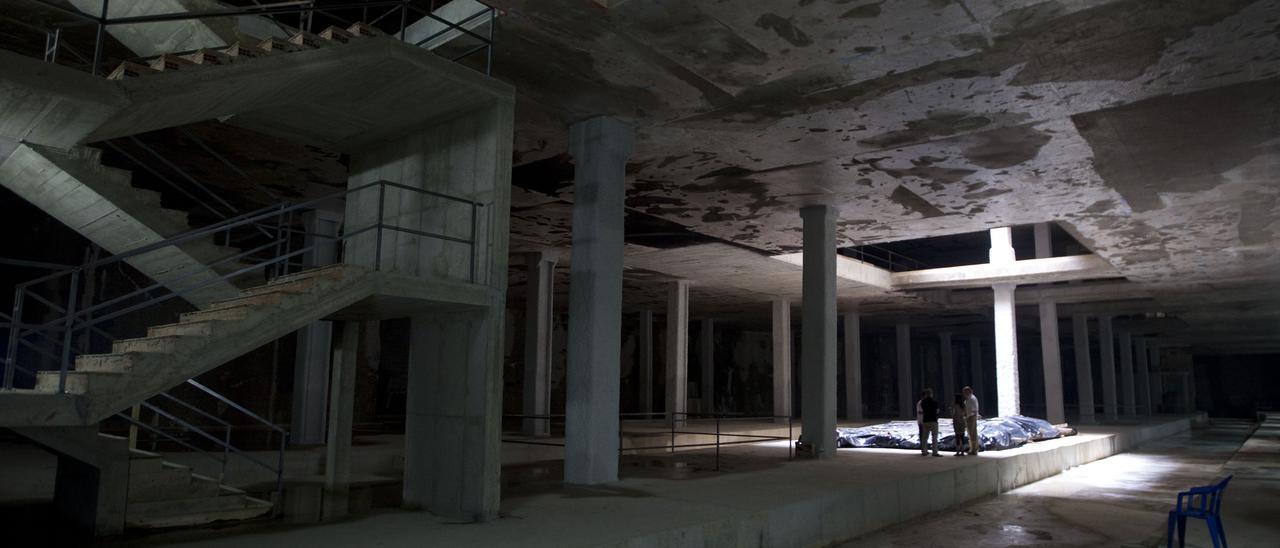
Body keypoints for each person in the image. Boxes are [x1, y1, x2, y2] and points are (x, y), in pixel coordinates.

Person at [918, 389, 940, 456]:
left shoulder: (922, 402)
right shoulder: (935, 402)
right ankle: (934, 452)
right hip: (933, 420)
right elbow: (937, 411)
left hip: (925, 420)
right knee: (934, 437)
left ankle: (924, 451)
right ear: (931, 394)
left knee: (924, 437)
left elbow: (922, 411)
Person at [963, 386, 980, 455]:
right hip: (969, 416)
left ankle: (974, 449)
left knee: (973, 433)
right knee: (970, 433)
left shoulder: (972, 398)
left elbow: (973, 409)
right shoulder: (968, 399)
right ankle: (972, 448)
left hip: (971, 417)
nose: (964, 394)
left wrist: (969, 416)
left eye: (965, 392)